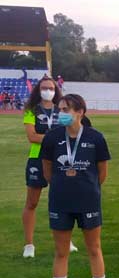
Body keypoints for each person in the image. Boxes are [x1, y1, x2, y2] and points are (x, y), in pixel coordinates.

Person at [40, 94, 111, 278]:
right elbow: (47, 171)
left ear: (80, 111)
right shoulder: (51, 138)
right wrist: (64, 186)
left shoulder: (95, 138)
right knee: (61, 252)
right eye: (60, 109)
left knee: (94, 248)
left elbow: (101, 173)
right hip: (60, 201)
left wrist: (85, 187)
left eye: (66, 109)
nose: (62, 113)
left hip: (88, 200)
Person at [21, 76, 78, 258]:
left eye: (51, 88)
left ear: (56, 90)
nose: (48, 91)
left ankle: (67, 241)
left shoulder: (62, 109)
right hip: (37, 158)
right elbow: (32, 136)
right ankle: (29, 244)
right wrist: (53, 138)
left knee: (64, 201)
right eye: (45, 88)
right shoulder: (31, 110)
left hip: (59, 159)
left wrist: (48, 137)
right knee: (32, 202)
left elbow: (70, 131)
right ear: (39, 90)